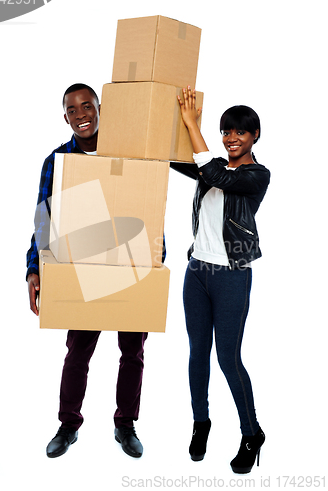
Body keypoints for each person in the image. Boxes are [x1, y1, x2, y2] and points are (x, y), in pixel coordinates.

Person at [26, 83, 147, 459]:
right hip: (82, 266)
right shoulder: (58, 160)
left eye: (87, 106)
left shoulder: (128, 151)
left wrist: (154, 257)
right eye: (72, 109)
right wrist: (34, 269)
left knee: (133, 352)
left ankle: (125, 425)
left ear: (100, 108)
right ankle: (68, 425)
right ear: (66, 116)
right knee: (77, 352)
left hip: (131, 261)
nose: (81, 115)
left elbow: (149, 199)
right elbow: (43, 220)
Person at [171, 86, 270, 474]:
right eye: (226, 131)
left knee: (228, 358)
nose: (231, 138)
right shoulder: (211, 166)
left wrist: (191, 123)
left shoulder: (255, 175)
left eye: (239, 132)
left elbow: (212, 173)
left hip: (231, 275)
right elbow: (178, 159)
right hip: (196, 272)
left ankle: (251, 433)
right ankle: (201, 422)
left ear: (254, 136)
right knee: (198, 354)